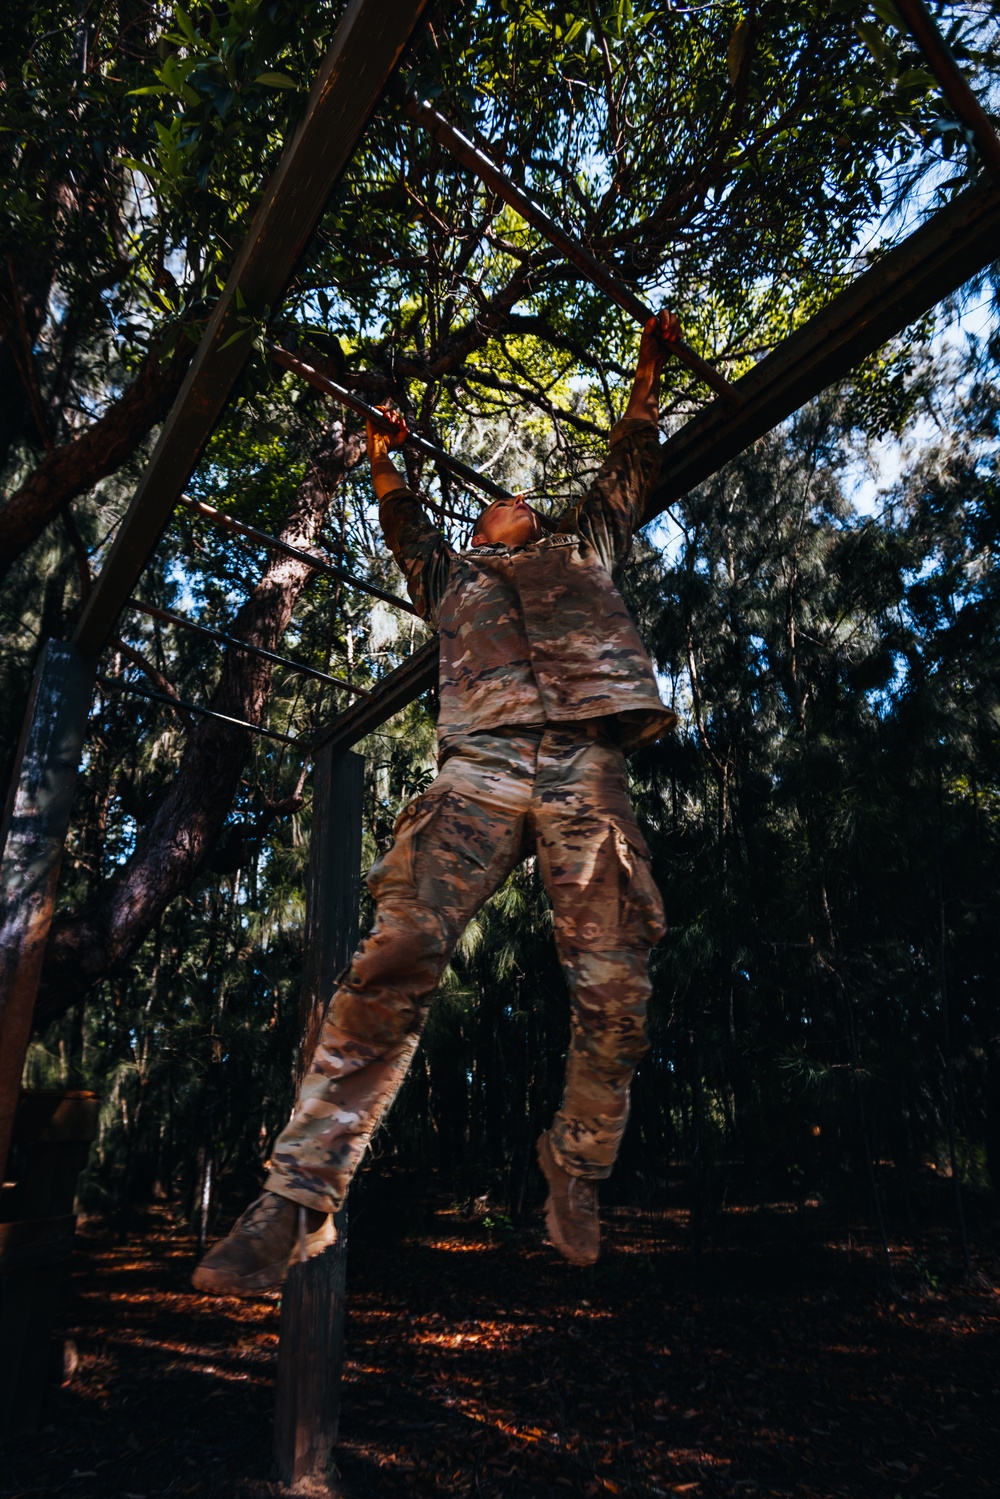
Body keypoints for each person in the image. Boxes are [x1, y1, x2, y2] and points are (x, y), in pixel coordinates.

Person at [192, 310, 680, 1294]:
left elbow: (631, 456)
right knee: (397, 953)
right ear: (476, 529)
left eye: (527, 497)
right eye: (503, 499)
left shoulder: (583, 545)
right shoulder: (448, 574)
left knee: (617, 982)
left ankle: (576, 1165)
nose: (518, 497)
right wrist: (381, 454)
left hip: (586, 762)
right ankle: (300, 1192)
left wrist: (648, 362)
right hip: (479, 768)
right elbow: (399, 516)